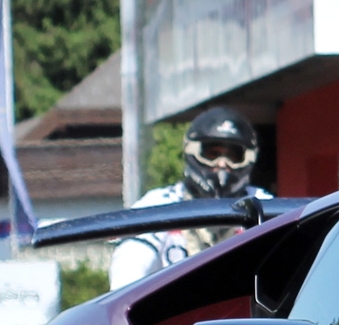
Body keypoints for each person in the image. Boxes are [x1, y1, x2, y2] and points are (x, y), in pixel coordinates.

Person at [110, 106, 266, 290]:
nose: (222, 165)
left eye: (234, 156)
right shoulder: (159, 206)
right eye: (212, 154)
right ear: (192, 151)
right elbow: (127, 276)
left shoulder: (266, 207)